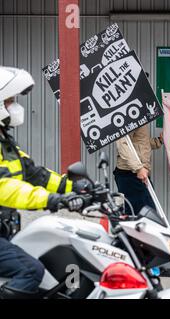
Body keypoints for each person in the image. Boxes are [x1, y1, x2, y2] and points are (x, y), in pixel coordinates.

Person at [0, 66, 86, 299]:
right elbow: (4, 188)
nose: (15, 106)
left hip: (5, 229)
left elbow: (37, 174)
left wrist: (77, 187)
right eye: (9, 100)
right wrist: (52, 200)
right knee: (31, 270)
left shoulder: (5, 142)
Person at [114, 125, 170, 278]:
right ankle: (159, 266)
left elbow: (141, 143)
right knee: (148, 221)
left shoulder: (138, 116)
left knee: (140, 221)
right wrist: (139, 168)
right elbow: (123, 143)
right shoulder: (128, 114)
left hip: (136, 174)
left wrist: (159, 141)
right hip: (132, 174)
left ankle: (137, 263)